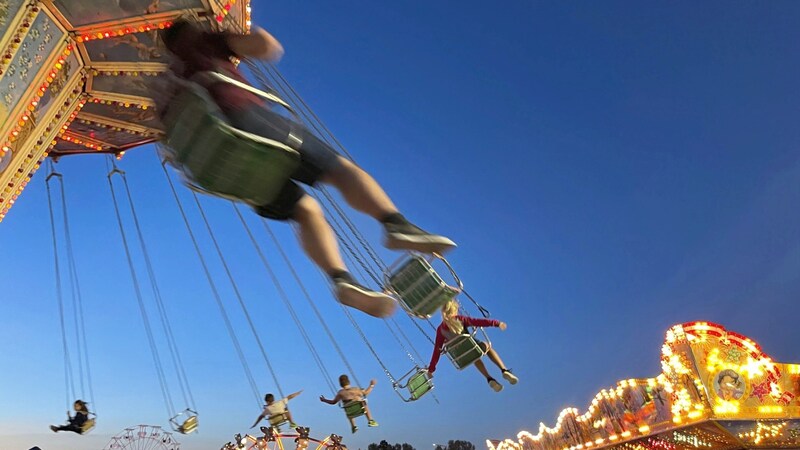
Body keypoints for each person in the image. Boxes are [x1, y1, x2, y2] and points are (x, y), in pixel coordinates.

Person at [159, 20, 456, 319]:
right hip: (245, 120)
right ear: (191, 28)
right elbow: (267, 47)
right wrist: (243, 35)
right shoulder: (206, 41)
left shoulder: (168, 82)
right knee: (338, 169)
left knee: (306, 211)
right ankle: (394, 224)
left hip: (220, 169)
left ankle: (342, 281)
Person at [428, 300, 518, 392]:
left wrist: (431, 369)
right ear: (454, 309)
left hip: (461, 358)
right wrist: (497, 323)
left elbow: (437, 350)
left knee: (474, 356)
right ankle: (504, 370)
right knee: (486, 347)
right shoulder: (459, 319)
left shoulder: (440, 330)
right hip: (473, 348)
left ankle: (489, 378)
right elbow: (479, 322)